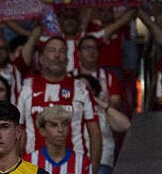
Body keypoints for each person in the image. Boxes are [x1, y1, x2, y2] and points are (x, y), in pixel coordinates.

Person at [17, 35, 101, 164]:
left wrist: (92, 170)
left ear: (67, 60)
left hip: (74, 167)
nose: (57, 55)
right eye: (52, 50)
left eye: (62, 51)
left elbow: (95, 133)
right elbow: (18, 133)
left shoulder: (80, 89)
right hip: (33, 168)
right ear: (41, 59)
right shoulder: (27, 89)